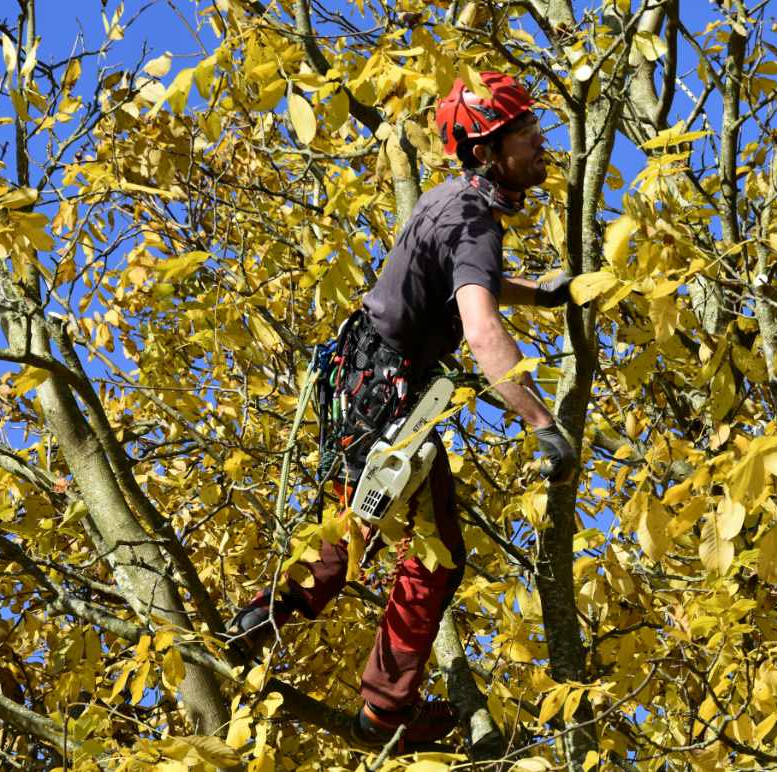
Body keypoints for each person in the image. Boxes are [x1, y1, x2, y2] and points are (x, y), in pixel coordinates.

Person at [229, 71, 579, 748]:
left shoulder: (447, 199)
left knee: (353, 524)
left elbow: (460, 278)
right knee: (437, 557)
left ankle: (259, 616)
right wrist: (542, 423)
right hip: (390, 394)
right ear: (486, 151)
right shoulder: (475, 217)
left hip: (359, 383)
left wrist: (538, 294)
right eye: (525, 133)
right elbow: (479, 330)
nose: (540, 141)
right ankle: (387, 711)